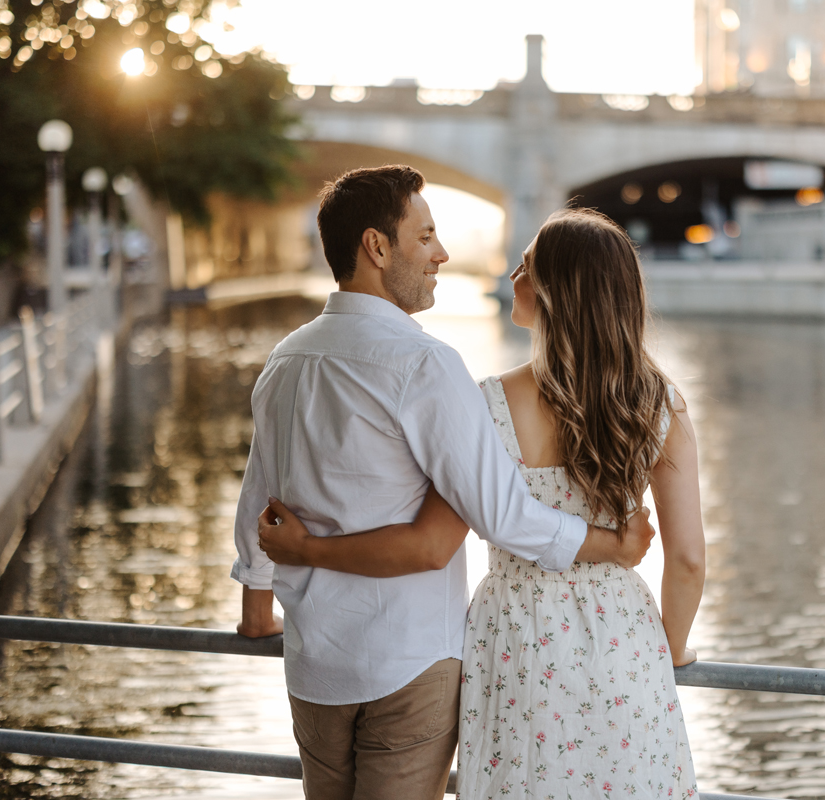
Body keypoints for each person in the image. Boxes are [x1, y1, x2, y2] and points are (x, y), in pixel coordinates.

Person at [230, 166, 656, 800]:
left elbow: (256, 503)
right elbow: (503, 516)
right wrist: (609, 544)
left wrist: (257, 612)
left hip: (313, 661)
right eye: (425, 237)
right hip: (408, 659)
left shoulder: (286, 358)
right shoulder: (425, 364)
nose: (443, 254)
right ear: (377, 247)